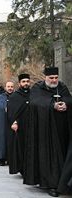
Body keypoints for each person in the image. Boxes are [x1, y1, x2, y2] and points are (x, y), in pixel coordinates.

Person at [23, 67, 72, 197]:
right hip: (44, 130)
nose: (54, 80)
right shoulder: (38, 88)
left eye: (56, 78)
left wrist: (65, 104)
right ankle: (50, 183)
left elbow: (69, 98)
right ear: (45, 78)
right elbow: (35, 102)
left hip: (62, 130)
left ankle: (62, 183)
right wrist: (52, 105)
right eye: (51, 78)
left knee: (62, 155)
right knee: (48, 157)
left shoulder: (62, 87)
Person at [7, 74, 31, 175]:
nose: (26, 83)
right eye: (23, 81)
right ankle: (21, 168)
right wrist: (14, 122)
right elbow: (11, 112)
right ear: (20, 83)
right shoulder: (14, 96)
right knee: (20, 147)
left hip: (31, 125)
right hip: (20, 127)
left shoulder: (33, 94)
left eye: (27, 81)